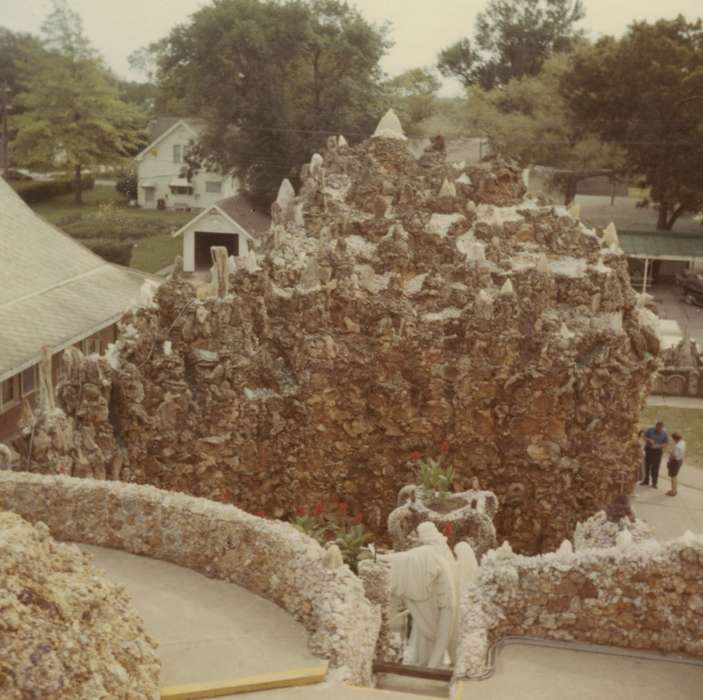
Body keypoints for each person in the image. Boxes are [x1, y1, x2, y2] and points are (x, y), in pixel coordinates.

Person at [641, 421, 669, 488]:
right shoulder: (650, 430)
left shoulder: (664, 434)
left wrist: (659, 446)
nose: (659, 429)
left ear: (662, 427)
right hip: (648, 450)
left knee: (655, 468)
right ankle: (646, 481)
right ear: (656, 426)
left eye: (660, 428)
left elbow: (666, 443)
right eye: (658, 428)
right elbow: (644, 436)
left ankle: (654, 483)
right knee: (646, 466)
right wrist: (649, 440)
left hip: (657, 452)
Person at [666, 432, 686, 497]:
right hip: (680, 460)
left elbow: (674, 456)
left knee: (673, 477)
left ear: (675, 438)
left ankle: (673, 491)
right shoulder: (683, 443)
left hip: (675, 462)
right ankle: (674, 490)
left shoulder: (677, 446)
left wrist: (670, 453)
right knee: (675, 476)